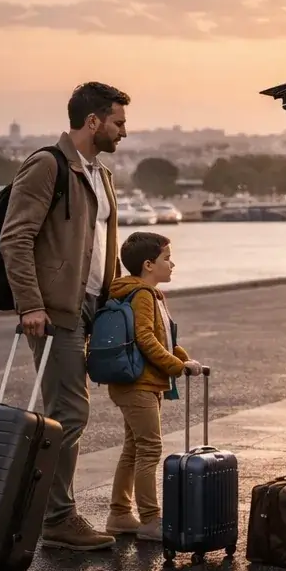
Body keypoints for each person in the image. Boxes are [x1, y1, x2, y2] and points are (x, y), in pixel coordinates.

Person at [0, 81, 128, 551]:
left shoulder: (101, 174)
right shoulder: (46, 166)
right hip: (57, 312)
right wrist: (31, 304)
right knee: (67, 414)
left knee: (68, 413)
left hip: (94, 307)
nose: (123, 131)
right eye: (118, 122)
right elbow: (15, 239)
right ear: (92, 121)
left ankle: (50, 511)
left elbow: (99, 244)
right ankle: (56, 517)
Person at [105, 232, 202, 542]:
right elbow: (146, 339)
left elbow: (164, 340)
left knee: (134, 448)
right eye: (166, 259)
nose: (172, 264)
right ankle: (149, 519)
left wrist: (183, 359)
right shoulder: (143, 294)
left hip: (136, 381)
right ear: (149, 265)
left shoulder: (143, 293)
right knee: (149, 449)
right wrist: (176, 366)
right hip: (139, 383)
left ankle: (120, 514)